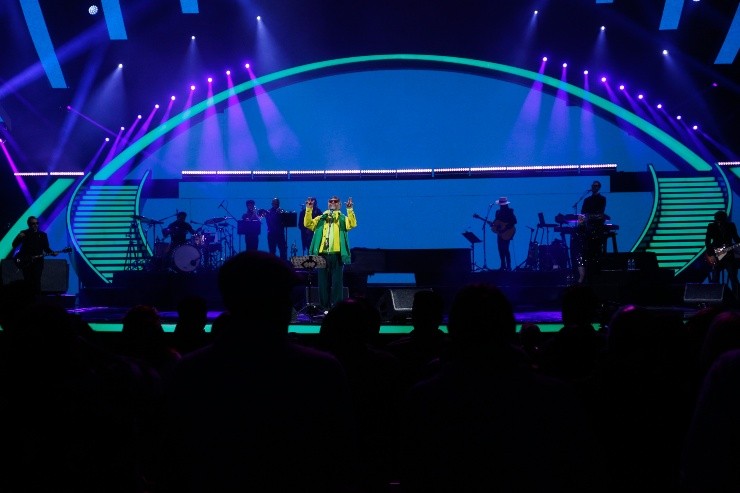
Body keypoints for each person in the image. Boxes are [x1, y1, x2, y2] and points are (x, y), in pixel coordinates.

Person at [158, 251, 357, 491]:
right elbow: (341, 460)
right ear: (279, 304)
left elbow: (172, 461)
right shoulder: (321, 372)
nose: (289, 305)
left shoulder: (189, 372)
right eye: (284, 296)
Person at [304, 195, 357, 311]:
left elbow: (352, 224)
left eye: (335, 201)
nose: (332, 202)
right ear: (328, 203)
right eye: (330, 201)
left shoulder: (342, 218)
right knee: (323, 283)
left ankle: (338, 309)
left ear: (339, 204)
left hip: (337, 255)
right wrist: (309, 209)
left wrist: (349, 209)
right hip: (322, 255)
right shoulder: (321, 218)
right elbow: (308, 224)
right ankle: (324, 308)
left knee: (337, 283)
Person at [11, 216, 58, 295]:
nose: (35, 225)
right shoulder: (24, 233)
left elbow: (46, 248)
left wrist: (53, 253)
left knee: (37, 281)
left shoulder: (42, 235)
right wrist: (18, 237)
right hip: (26, 261)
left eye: (37, 223)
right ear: (29, 224)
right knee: (28, 281)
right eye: (33, 223)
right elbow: (14, 244)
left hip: (38, 262)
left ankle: (37, 299)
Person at [704, 210, 740, 298]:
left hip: (728, 254)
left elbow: (736, 238)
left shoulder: (730, 225)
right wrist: (711, 255)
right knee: (716, 277)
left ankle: (736, 298)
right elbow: (707, 241)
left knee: (733, 276)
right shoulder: (711, 226)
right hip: (716, 253)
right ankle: (714, 297)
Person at [579, 181, 608, 282]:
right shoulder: (587, 199)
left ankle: (597, 272)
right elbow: (582, 214)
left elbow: (600, 212)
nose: (594, 187)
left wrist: (589, 216)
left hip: (597, 228)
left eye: (596, 186)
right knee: (587, 250)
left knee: (597, 249)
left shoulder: (602, 199)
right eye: (593, 185)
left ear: (599, 187)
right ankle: (586, 273)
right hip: (587, 228)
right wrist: (581, 224)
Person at [492, 196, 517, 271]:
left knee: (505, 249)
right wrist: (494, 225)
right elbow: (496, 222)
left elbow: (514, 221)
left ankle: (509, 266)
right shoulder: (498, 212)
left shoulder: (510, 211)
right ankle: (503, 265)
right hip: (500, 233)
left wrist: (505, 228)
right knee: (500, 249)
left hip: (507, 233)